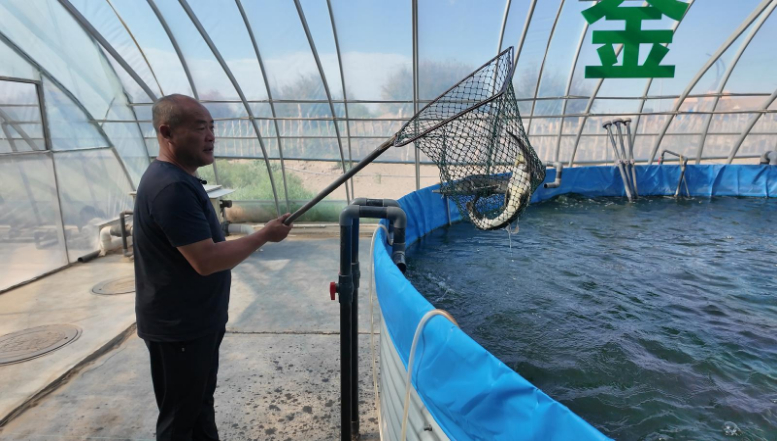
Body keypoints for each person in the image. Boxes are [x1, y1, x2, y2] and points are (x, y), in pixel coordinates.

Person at [133, 94, 293, 441]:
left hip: (194, 324)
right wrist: (264, 235)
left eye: (212, 127)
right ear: (167, 133)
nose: (210, 137)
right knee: (180, 420)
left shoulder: (179, 179)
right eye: (199, 128)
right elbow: (206, 260)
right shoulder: (171, 188)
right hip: (180, 329)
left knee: (198, 406)